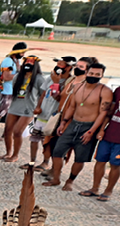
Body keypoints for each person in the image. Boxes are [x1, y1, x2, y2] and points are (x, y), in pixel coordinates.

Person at [43, 62, 112, 191]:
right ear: (87, 73)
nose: (93, 76)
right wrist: (63, 122)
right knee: (57, 151)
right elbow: (72, 106)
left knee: (80, 157)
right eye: (91, 73)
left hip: (89, 126)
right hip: (73, 124)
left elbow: (103, 113)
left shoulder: (105, 91)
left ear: (102, 75)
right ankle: (56, 178)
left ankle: (70, 181)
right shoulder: (78, 87)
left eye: (97, 74)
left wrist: (91, 131)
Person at [81, 55, 120, 201]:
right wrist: (101, 129)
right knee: (100, 160)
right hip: (109, 134)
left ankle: (108, 190)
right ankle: (95, 188)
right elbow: (109, 112)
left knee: (115, 163)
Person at [0, 55, 47, 162]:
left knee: (17, 131)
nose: (27, 65)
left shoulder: (39, 78)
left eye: (30, 63)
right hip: (15, 106)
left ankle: (15, 155)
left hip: (28, 108)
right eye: (26, 63)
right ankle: (8, 152)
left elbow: (42, 94)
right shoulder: (18, 77)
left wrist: (39, 107)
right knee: (7, 130)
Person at [29, 58, 74, 169]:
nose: (57, 66)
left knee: (47, 141)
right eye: (57, 64)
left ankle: (45, 162)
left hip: (53, 116)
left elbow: (59, 98)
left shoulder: (70, 82)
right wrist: (38, 106)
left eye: (61, 64)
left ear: (68, 67)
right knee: (34, 138)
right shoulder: (51, 77)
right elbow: (44, 93)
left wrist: (56, 83)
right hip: (42, 113)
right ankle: (32, 161)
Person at [0, 42, 27, 140]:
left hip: (12, 90)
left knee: (8, 112)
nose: (23, 55)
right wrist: (20, 76)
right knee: (1, 112)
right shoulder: (8, 61)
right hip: (6, 90)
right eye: (22, 52)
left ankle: (6, 132)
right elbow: (6, 77)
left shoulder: (15, 61)